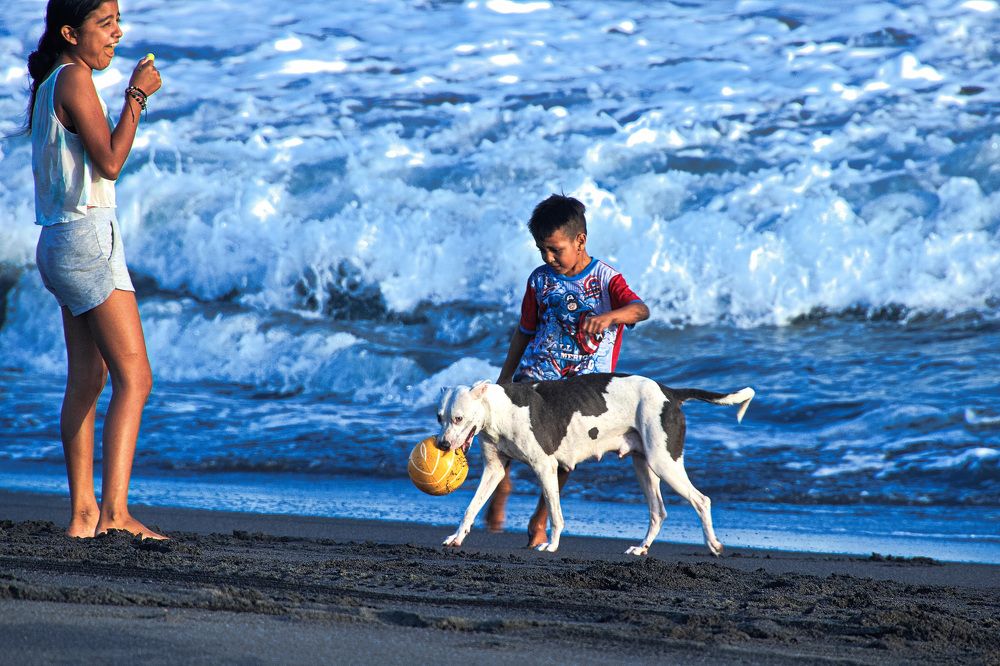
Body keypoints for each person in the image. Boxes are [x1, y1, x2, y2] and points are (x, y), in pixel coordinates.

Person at [25, 0, 165, 539]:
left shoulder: (51, 83)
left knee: (88, 377)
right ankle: (114, 513)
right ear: (70, 32)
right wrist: (135, 98)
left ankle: (84, 514)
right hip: (87, 239)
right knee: (136, 378)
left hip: (58, 241)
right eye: (104, 25)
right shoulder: (76, 78)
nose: (117, 34)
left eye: (117, 23)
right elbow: (109, 162)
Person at [488, 194, 649, 546]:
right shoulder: (539, 281)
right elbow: (524, 331)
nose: (548, 258)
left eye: (555, 249)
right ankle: (501, 486)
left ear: (580, 241)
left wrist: (610, 317)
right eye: (541, 250)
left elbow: (640, 309)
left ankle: (540, 520)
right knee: (501, 437)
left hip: (581, 387)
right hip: (537, 373)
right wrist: (505, 377)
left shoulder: (607, 279)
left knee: (563, 459)